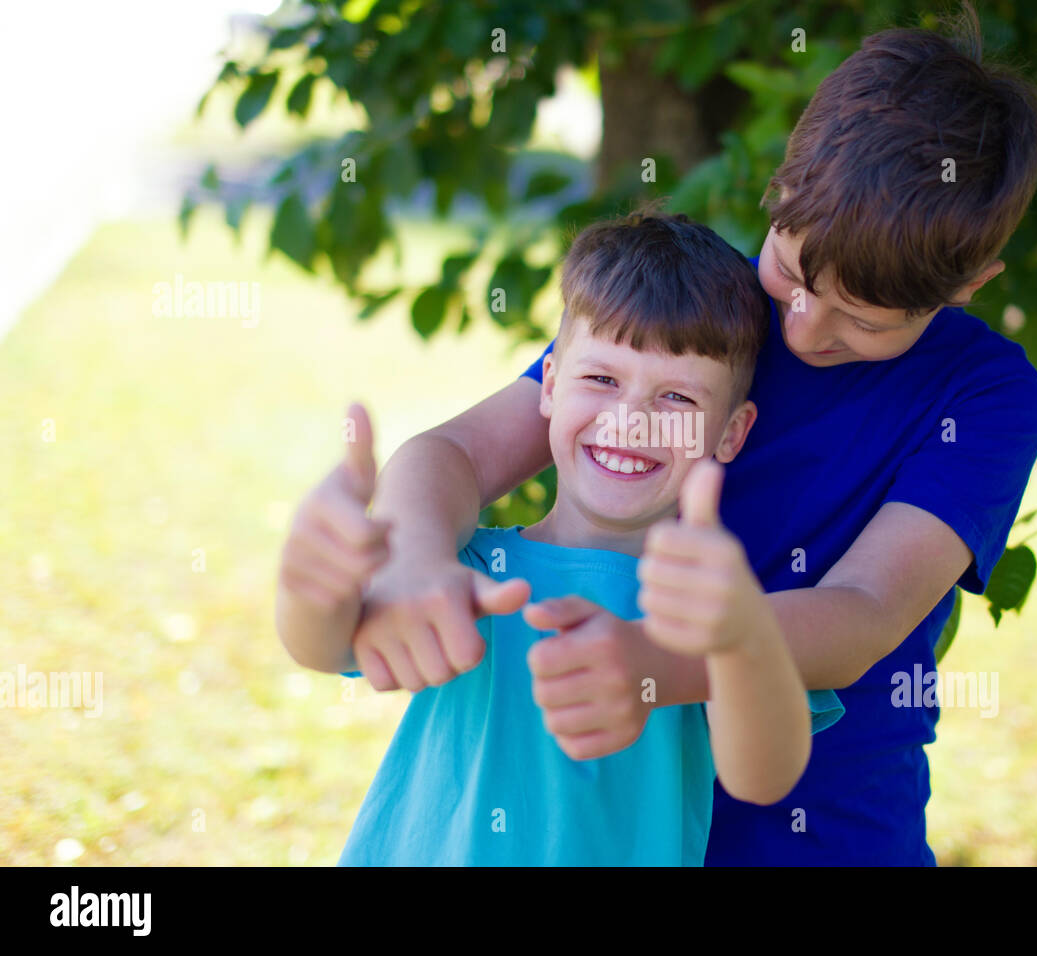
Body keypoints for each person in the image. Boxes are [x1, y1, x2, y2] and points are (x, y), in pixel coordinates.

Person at [315, 17, 1037, 865]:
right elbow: (458, 454)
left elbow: (863, 612)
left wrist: (651, 662)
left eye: (863, 320)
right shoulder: (704, 312)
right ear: (779, 192)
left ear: (967, 286)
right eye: (793, 273)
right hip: (619, 819)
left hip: (826, 827)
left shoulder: (985, 394)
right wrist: (414, 555)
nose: (808, 329)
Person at [276, 212, 843, 865]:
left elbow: (764, 775)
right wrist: (309, 583)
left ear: (731, 434)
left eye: (678, 400)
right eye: (601, 380)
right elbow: (321, 646)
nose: (629, 420)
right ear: (548, 384)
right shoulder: (463, 566)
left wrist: (743, 638)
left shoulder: (707, 602)